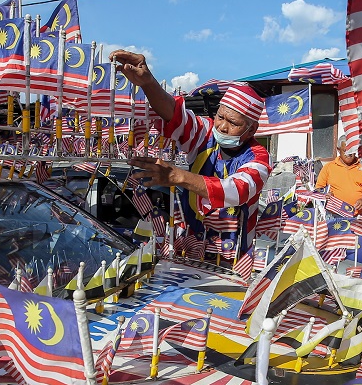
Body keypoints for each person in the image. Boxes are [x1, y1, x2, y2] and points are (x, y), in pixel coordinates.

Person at [110, 49, 270, 260]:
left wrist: (178, 177)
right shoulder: (206, 133)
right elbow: (175, 116)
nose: (222, 126)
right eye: (221, 116)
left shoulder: (258, 158)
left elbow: (236, 191)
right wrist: (148, 83)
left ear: (251, 129)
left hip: (233, 258)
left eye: (233, 123)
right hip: (193, 249)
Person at [315, 137, 362, 214]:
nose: (349, 154)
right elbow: (318, 188)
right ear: (338, 150)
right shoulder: (329, 167)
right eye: (345, 151)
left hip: (357, 215)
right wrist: (325, 194)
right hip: (334, 215)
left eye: (352, 151)